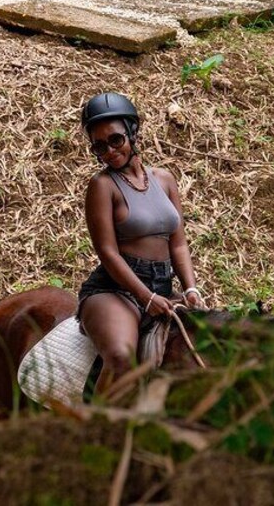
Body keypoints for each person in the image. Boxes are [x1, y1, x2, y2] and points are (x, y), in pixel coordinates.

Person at [76, 92, 203, 395]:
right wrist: (145, 297)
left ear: (133, 132)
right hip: (115, 289)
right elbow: (107, 252)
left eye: (116, 140)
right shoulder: (102, 186)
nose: (108, 151)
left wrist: (191, 288)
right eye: (99, 146)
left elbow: (179, 244)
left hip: (161, 284)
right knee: (120, 357)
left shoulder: (165, 180)